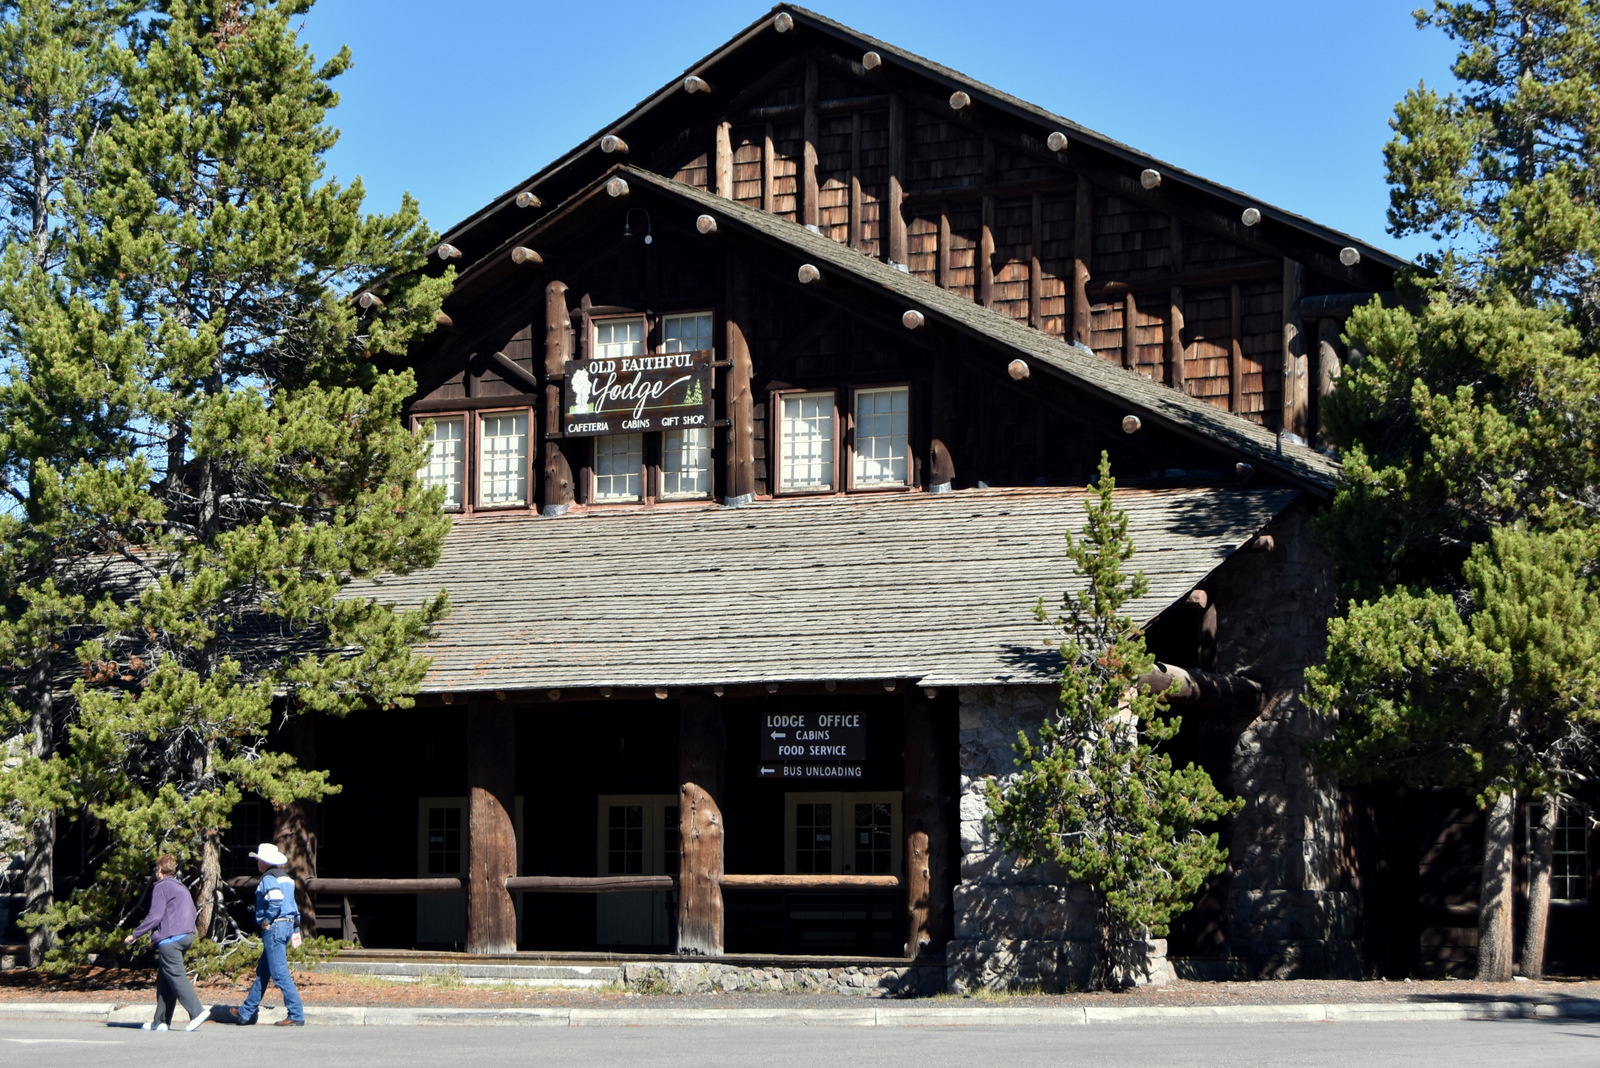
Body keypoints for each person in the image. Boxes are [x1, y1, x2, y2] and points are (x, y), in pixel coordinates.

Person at [124, 853, 210, 1032]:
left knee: (176, 976)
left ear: (159, 870)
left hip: (170, 938)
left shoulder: (161, 887)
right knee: (165, 979)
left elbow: (155, 916)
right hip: (185, 935)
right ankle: (160, 1021)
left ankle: (197, 1012)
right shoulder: (180, 887)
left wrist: (135, 934)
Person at [223, 843, 306, 1027]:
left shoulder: (268, 878)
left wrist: (267, 919)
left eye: (259, 859)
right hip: (287, 925)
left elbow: (275, 900)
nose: (258, 862)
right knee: (264, 971)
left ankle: (296, 1013)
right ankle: (246, 1012)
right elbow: (293, 906)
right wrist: (295, 929)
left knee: (279, 973)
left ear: (264, 862)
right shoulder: (287, 878)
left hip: (274, 927)